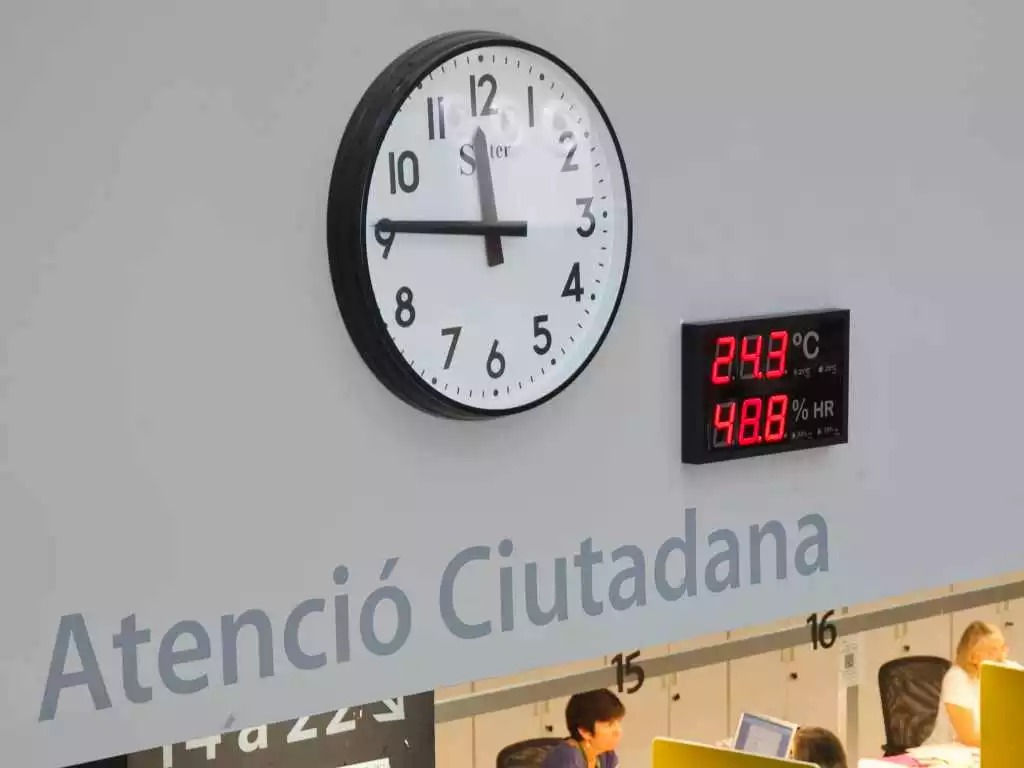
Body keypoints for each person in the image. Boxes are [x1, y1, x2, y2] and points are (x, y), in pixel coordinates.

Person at [928, 620, 1008, 746]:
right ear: (973, 657)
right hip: (947, 752)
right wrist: (1010, 739)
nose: (1001, 657)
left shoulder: (994, 673)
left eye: (1002, 648)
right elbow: (969, 737)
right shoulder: (956, 679)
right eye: (993, 651)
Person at [539, 689, 625, 768]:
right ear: (584, 731)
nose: (618, 731)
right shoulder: (567, 759)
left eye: (618, 722)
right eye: (609, 725)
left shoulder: (607, 755)